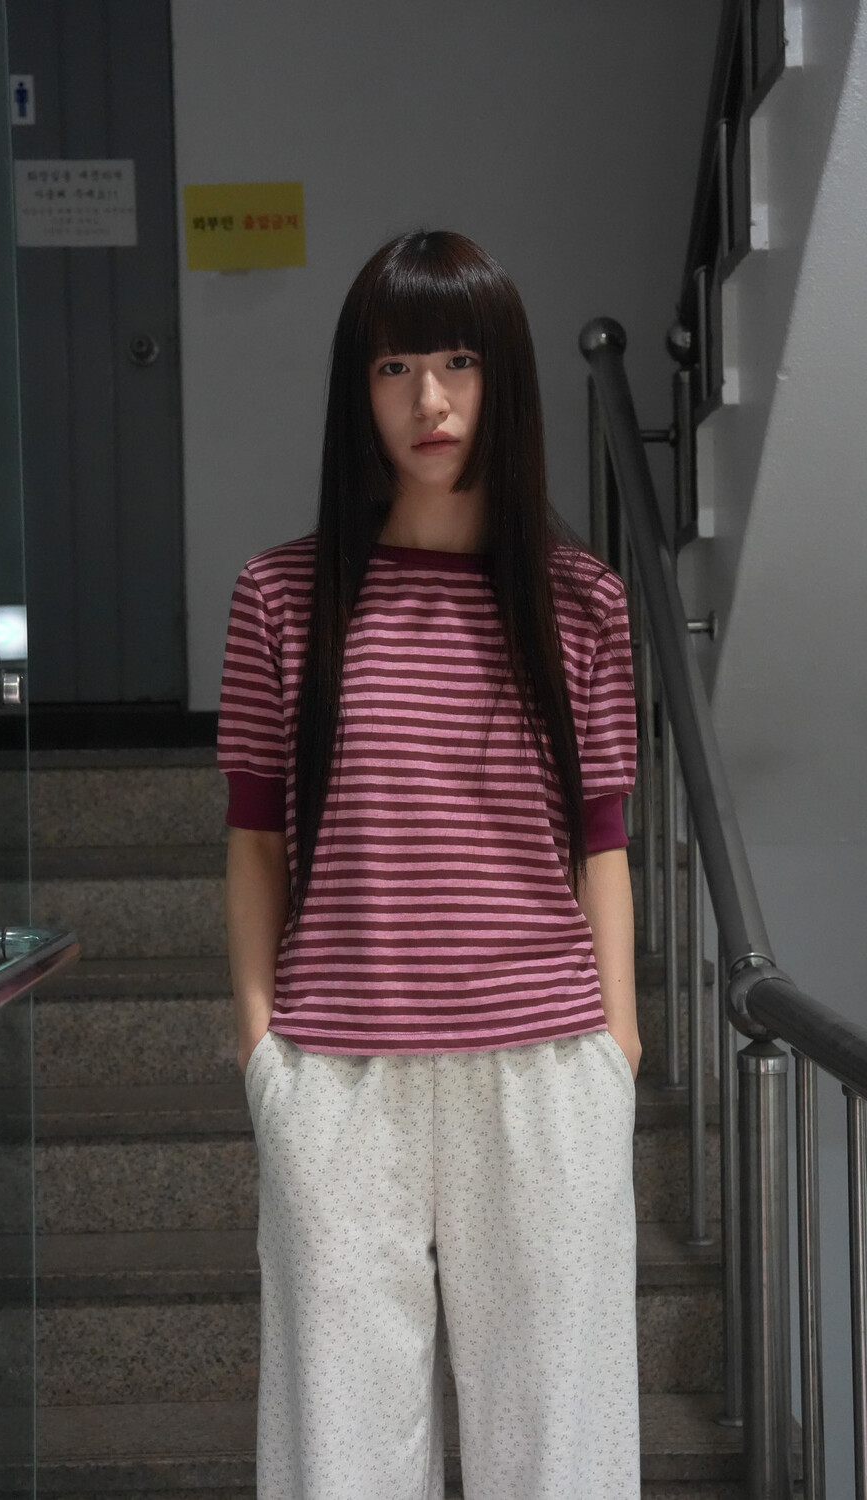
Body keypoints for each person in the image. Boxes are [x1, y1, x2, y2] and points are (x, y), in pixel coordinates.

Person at [217, 229, 641, 1500]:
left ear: (501, 377)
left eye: (457, 362)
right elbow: (254, 838)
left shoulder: (581, 601)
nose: (430, 401)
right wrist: (261, 1047)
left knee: (559, 1445)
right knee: (339, 1453)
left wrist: (618, 1045)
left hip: (544, 1064)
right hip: (340, 1075)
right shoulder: (281, 597)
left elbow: (602, 842)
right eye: (394, 369)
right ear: (359, 393)